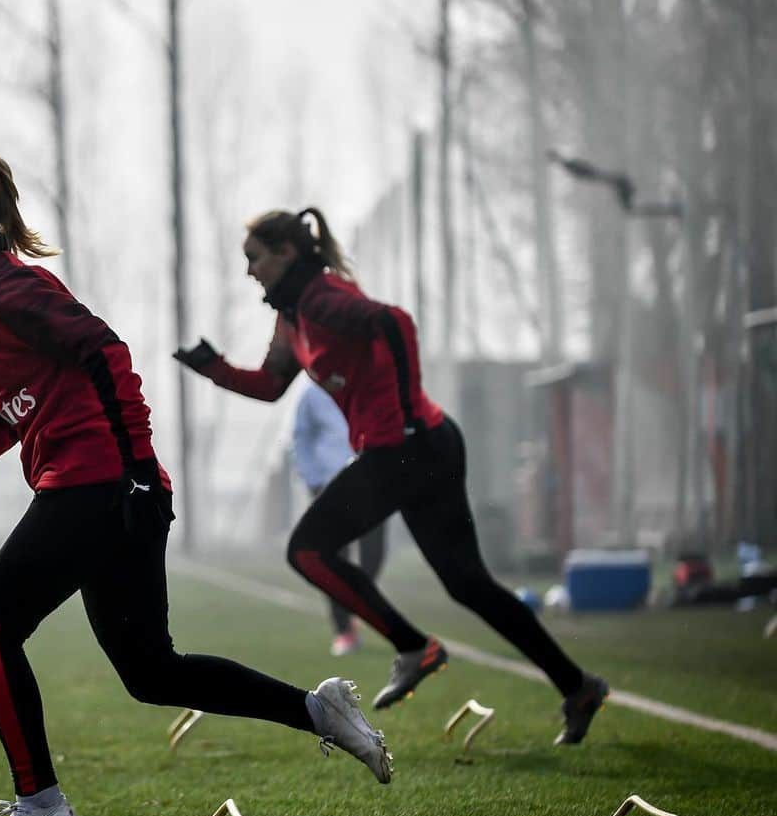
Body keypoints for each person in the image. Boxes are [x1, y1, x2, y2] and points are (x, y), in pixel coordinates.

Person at [0, 160, 392, 816]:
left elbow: (106, 352)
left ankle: (40, 803)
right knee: (153, 672)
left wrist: (141, 473)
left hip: (96, 486)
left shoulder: (7, 286)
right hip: (99, 487)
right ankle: (320, 709)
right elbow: (0, 420)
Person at [174, 207, 609, 745]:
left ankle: (412, 646)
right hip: (421, 445)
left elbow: (395, 322)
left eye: (254, 259)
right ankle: (578, 686)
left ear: (286, 254)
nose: (249, 272)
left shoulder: (323, 299)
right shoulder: (293, 315)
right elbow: (269, 385)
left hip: (406, 446)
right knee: (467, 584)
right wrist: (212, 367)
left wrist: (401, 415)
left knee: (308, 551)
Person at [292, 379, 386, 655]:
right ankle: (343, 629)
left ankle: (356, 601)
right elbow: (301, 437)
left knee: (374, 554)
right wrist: (312, 478)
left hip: (371, 483)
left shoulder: (370, 384)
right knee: (333, 559)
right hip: (329, 485)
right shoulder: (312, 393)